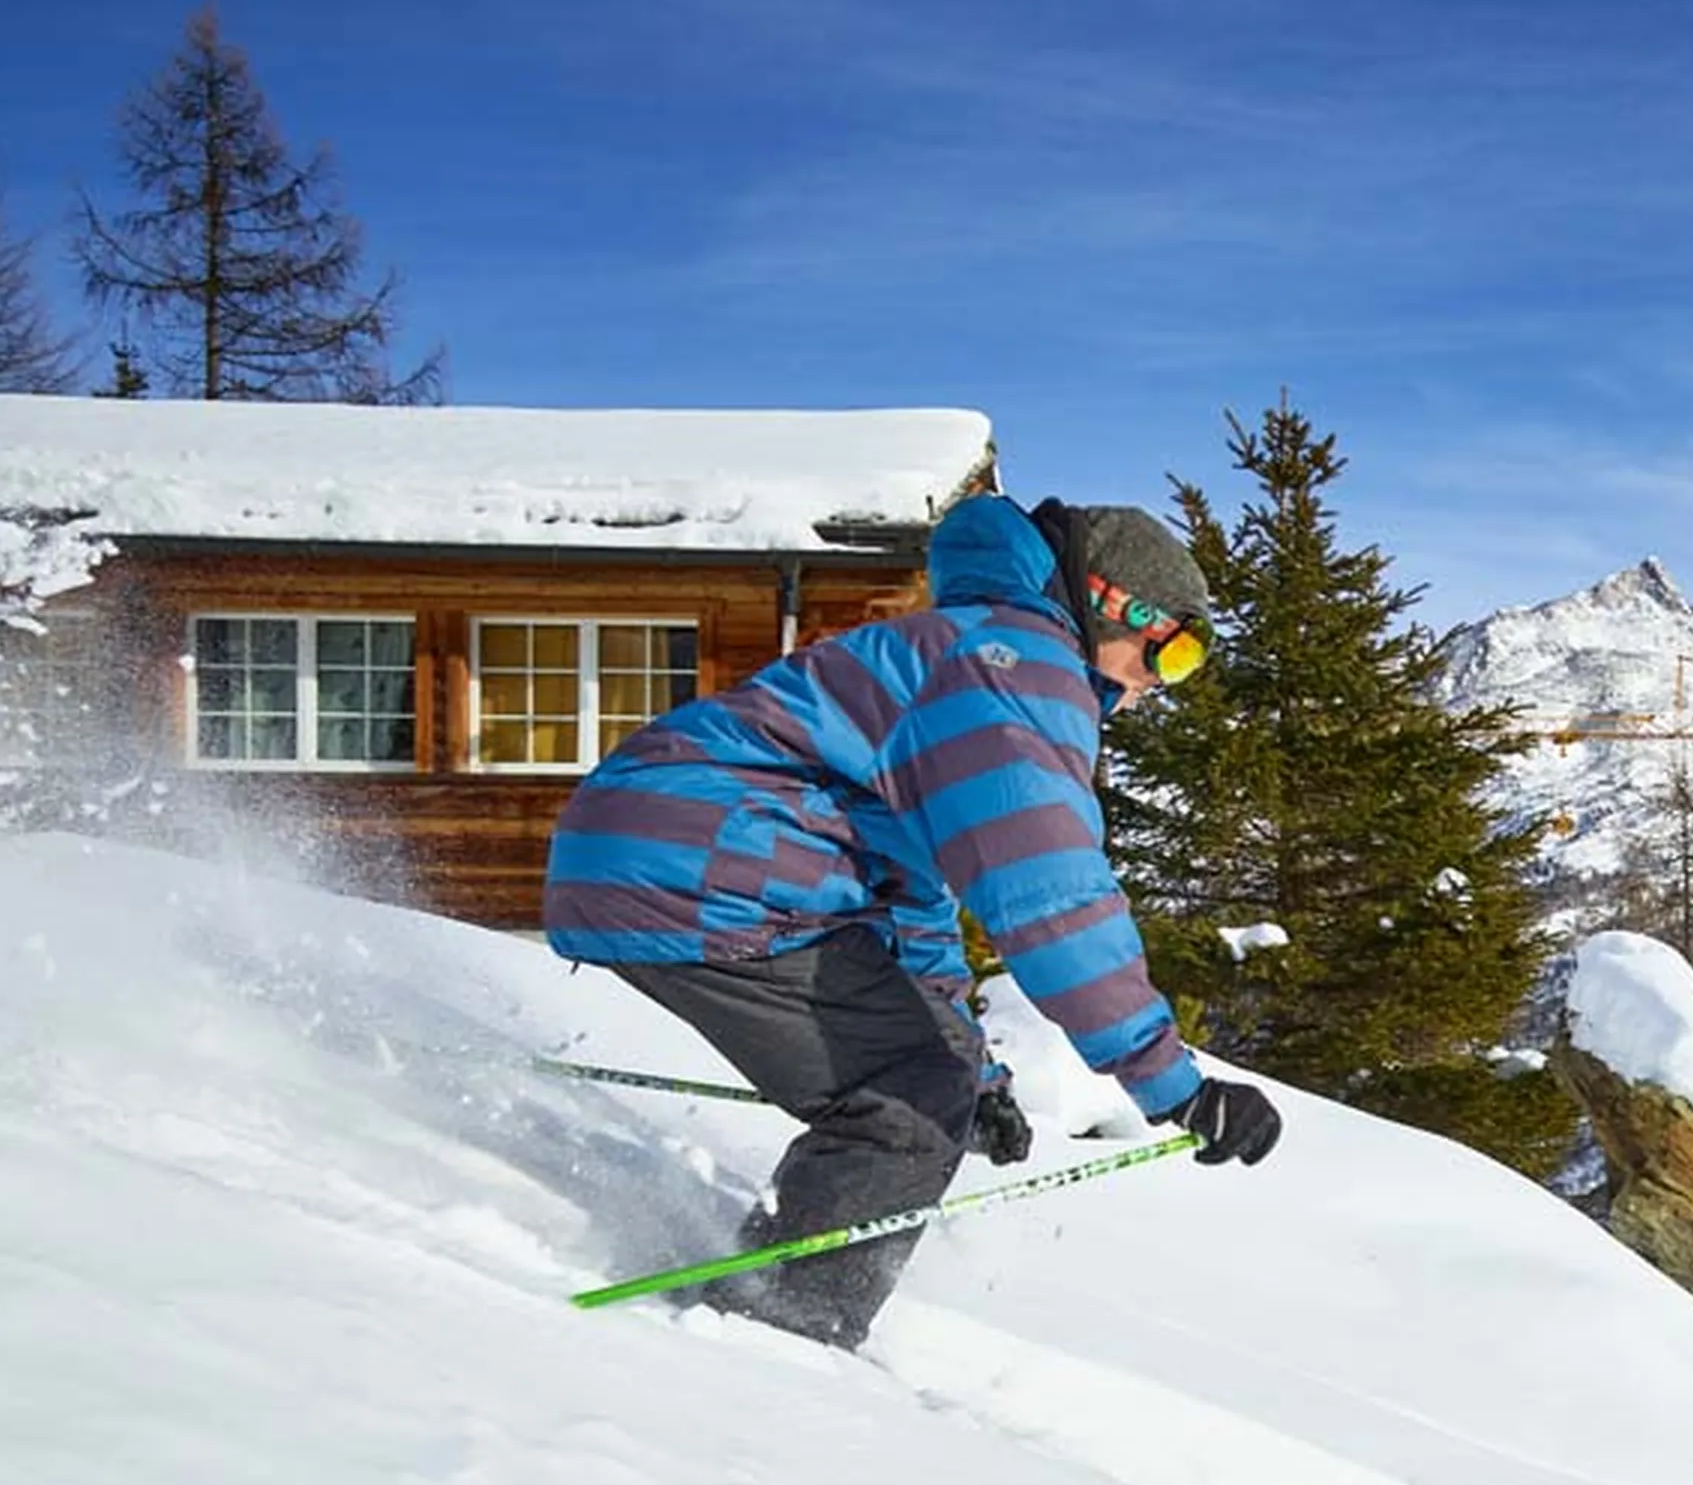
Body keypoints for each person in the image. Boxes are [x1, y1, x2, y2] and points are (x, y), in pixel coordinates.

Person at [542, 489, 1282, 1347]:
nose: (1163, 684)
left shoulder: (969, 655)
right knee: (906, 1101)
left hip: (667, 851)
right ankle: (770, 1345)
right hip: (707, 869)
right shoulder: (1018, 672)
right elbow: (1050, 894)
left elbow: (914, 899)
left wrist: (978, 1078)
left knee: (932, 1080)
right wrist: (1175, 1087)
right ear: (1119, 605)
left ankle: (773, 1307)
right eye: (1177, 653)